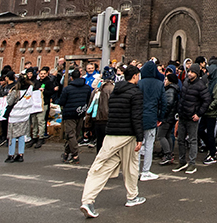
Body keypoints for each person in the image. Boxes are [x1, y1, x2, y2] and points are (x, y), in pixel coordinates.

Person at [79, 65, 146, 218]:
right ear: (135, 76)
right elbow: (136, 116)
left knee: (100, 167)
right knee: (131, 166)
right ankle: (132, 196)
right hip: (128, 135)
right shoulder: (135, 93)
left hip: (111, 134)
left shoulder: (115, 91)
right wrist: (140, 137)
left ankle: (87, 200)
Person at [173, 68, 210, 174]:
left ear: (197, 74)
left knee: (193, 140)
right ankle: (182, 161)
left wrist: (199, 114)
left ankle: (192, 163)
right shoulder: (185, 82)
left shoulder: (200, 85)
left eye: (192, 72)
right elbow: (182, 98)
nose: (189, 74)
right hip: (183, 116)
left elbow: (207, 100)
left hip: (192, 117)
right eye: (189, 71)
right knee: (180, 139)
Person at [137, 61, 166, 182]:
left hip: (138, 117)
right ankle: (145, 171)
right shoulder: (159, 84)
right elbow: (164, 103)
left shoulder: (139, 84)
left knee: (137, 145)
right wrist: (160, 117)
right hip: (152, 116)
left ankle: (135, 170)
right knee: (149, 145)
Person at [59, 69, 91, 164]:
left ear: (71, 78)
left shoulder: (67, 89)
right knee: (76, 134)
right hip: (81, 112)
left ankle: (75, 154)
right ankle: (66, 153)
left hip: (69, 113)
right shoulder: (87, 88)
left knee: (71, 134)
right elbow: (88, 99)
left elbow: (61, 101)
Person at [4, 74, 35, 163]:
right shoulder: (29, 89)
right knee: (22, 135)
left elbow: (10, 102)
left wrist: (9, 93)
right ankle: (20, 154)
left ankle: (11, 155)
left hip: (14, 116)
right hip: (24, 115)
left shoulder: (16, 92)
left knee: (12, 136)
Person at [199, 60, 217, 165]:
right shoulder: (209, 81)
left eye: (208, 71)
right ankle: (212, 147)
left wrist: (208, 107)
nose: (207, 73)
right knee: (200, 131)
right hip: (206, 111)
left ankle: (212, 153)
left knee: (209, 132)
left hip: (211, 112)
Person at [156, 73, 179, 166]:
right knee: (167, 135)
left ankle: (167, 154)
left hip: (167, 117)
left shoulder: (170, 91)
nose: (164, 81)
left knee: (161, 135)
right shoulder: (174, 89)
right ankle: (169, 153)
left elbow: (167, 104)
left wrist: (162, 115)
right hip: (171, 117)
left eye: (166, 79)